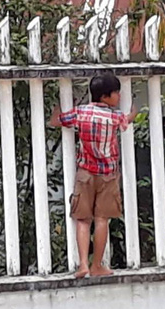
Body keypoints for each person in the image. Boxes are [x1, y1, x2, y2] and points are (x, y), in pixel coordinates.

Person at [50, 73, 138, 278]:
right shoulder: (115, 117)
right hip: (107, 175)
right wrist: (133, 110)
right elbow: (127, 120)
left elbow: (56, 120)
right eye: (116, 93)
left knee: (82, 220)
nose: (118, 96)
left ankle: (83, 264)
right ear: (106, 97)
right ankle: (97, 265)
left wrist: (59, 107)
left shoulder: (80, 113)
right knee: (102, 220)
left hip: (85, 174)